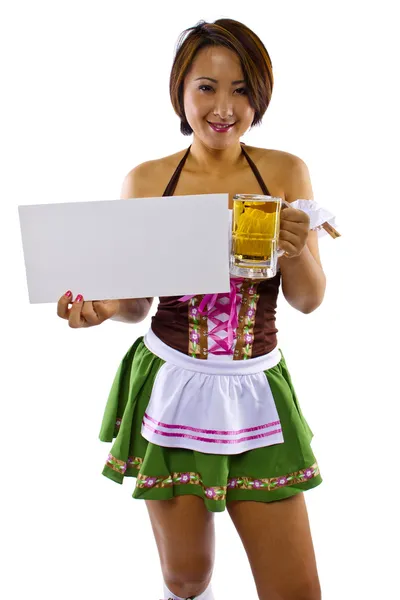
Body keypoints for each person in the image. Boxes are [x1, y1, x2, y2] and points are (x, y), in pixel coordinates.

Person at [57, 18, 337, 600]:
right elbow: (135, 302)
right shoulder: (148, 180)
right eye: (206, 86)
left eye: (241, 89)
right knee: (186, 578)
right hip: (175, 382)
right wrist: (102, 308)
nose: (223, 105)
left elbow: (309, 300)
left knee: (297, 591)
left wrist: (294, 249)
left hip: (256, 386)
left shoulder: (285, 171)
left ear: (260, 95)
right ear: (180, 90)